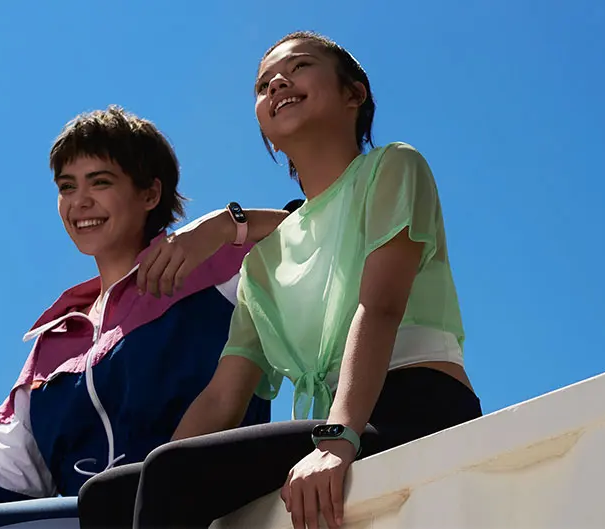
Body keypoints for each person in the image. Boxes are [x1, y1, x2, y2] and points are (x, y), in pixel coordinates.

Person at [77, 32, 483, 529]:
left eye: (299, 67)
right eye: (263, 83)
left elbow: (379, 307)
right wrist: (147, 483)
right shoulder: (263, 262)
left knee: (168, 475)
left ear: (354, 94)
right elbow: (222, 398)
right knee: (107, 497)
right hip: (335, 419)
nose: (277, 84)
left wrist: (336, 439)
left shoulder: (394, 167)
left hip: (415, 405)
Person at [0, 106, 291, 529]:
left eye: (100, 182)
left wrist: (226, 226)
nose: (79, 202)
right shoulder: (56, 341)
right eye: (67, 187)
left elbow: (317, 233)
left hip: (203, 510)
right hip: (90, 517)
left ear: (150, 194)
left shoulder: (219, 271)